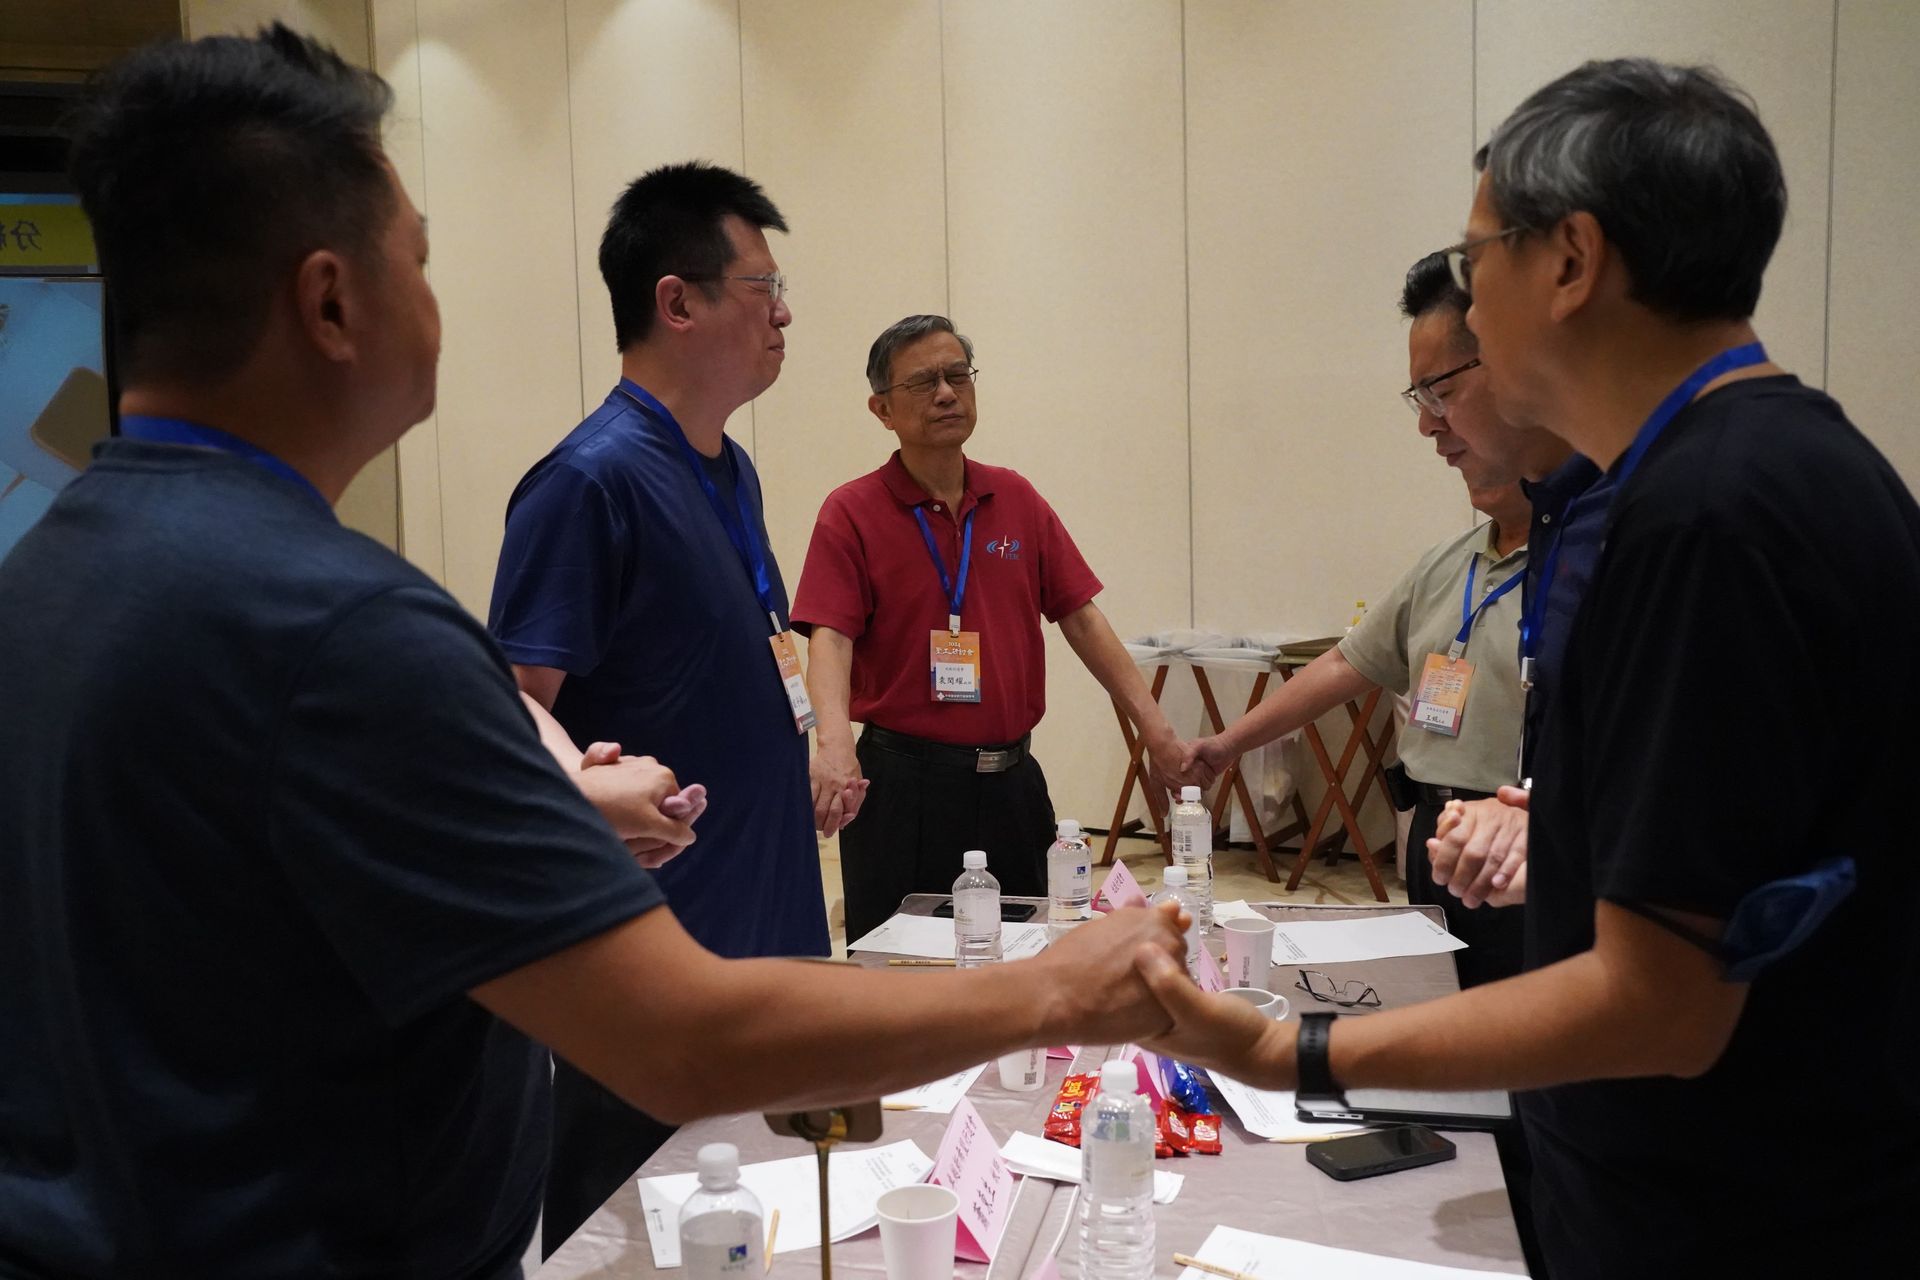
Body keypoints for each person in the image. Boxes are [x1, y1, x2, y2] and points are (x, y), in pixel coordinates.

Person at [0, 28, 1188, 1277]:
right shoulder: (348, 628)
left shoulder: (44, 580)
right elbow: (675, 1037)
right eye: (419, 259)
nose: (435, 304)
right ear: (332, 302)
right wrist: (1061, 986)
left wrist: (564, 786)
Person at [1136, 58, 1920, 1279]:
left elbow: (1661, 1003)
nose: (1470, 300)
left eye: (1479, 253)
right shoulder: (1777, 470)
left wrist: (1290, 1050)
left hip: (1727, 1210)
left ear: (1571, 261)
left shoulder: (1705, 519)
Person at [484, 161, 864, 1244]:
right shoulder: (588, 481)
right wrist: (583, 775)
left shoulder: (730, 470)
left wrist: (812, 742)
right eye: (763, 286)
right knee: (641, 1234)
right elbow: (510, 699)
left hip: (770, 918)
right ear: (677, 301)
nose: (784, 313)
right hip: (657, 964)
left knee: (760, 1221)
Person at [1183, 252, 1557, 991]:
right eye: (1419, 397)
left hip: (1521, 841)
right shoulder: (1446, 564)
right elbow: (1343, 666)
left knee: (1521, 1017)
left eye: (1441, 392)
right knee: (1444, 1009)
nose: (1429, 428)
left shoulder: (1590, 561)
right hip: (1434, 830)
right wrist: (1226, 746)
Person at [791, 314, 1190, 942]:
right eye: (923, 382)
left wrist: (1157, 731)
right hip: (903, 788)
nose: (946, 394)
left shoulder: (1015, 498)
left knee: (1030, 959)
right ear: (882, 409)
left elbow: (1082, 617)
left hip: (1012, 783)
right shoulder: (852, 511)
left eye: (958, 376)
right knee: (899, 968)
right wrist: (834, 745)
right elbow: (831, 639)